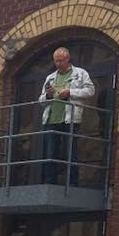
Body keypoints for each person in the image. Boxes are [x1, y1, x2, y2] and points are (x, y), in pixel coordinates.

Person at [38, 47, 95, 186]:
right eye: (56, 61)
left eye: (61, 60)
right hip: (51, 119)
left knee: (70, 152)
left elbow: (90, 91)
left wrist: (70, 92)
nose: (58, 64)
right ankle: (50, 183)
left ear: (68, 59)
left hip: (70, 119)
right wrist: (48, 96)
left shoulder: (80, 73)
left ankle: (72, 183)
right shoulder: (50, 77)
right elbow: (40, 100)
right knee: (50, 153)